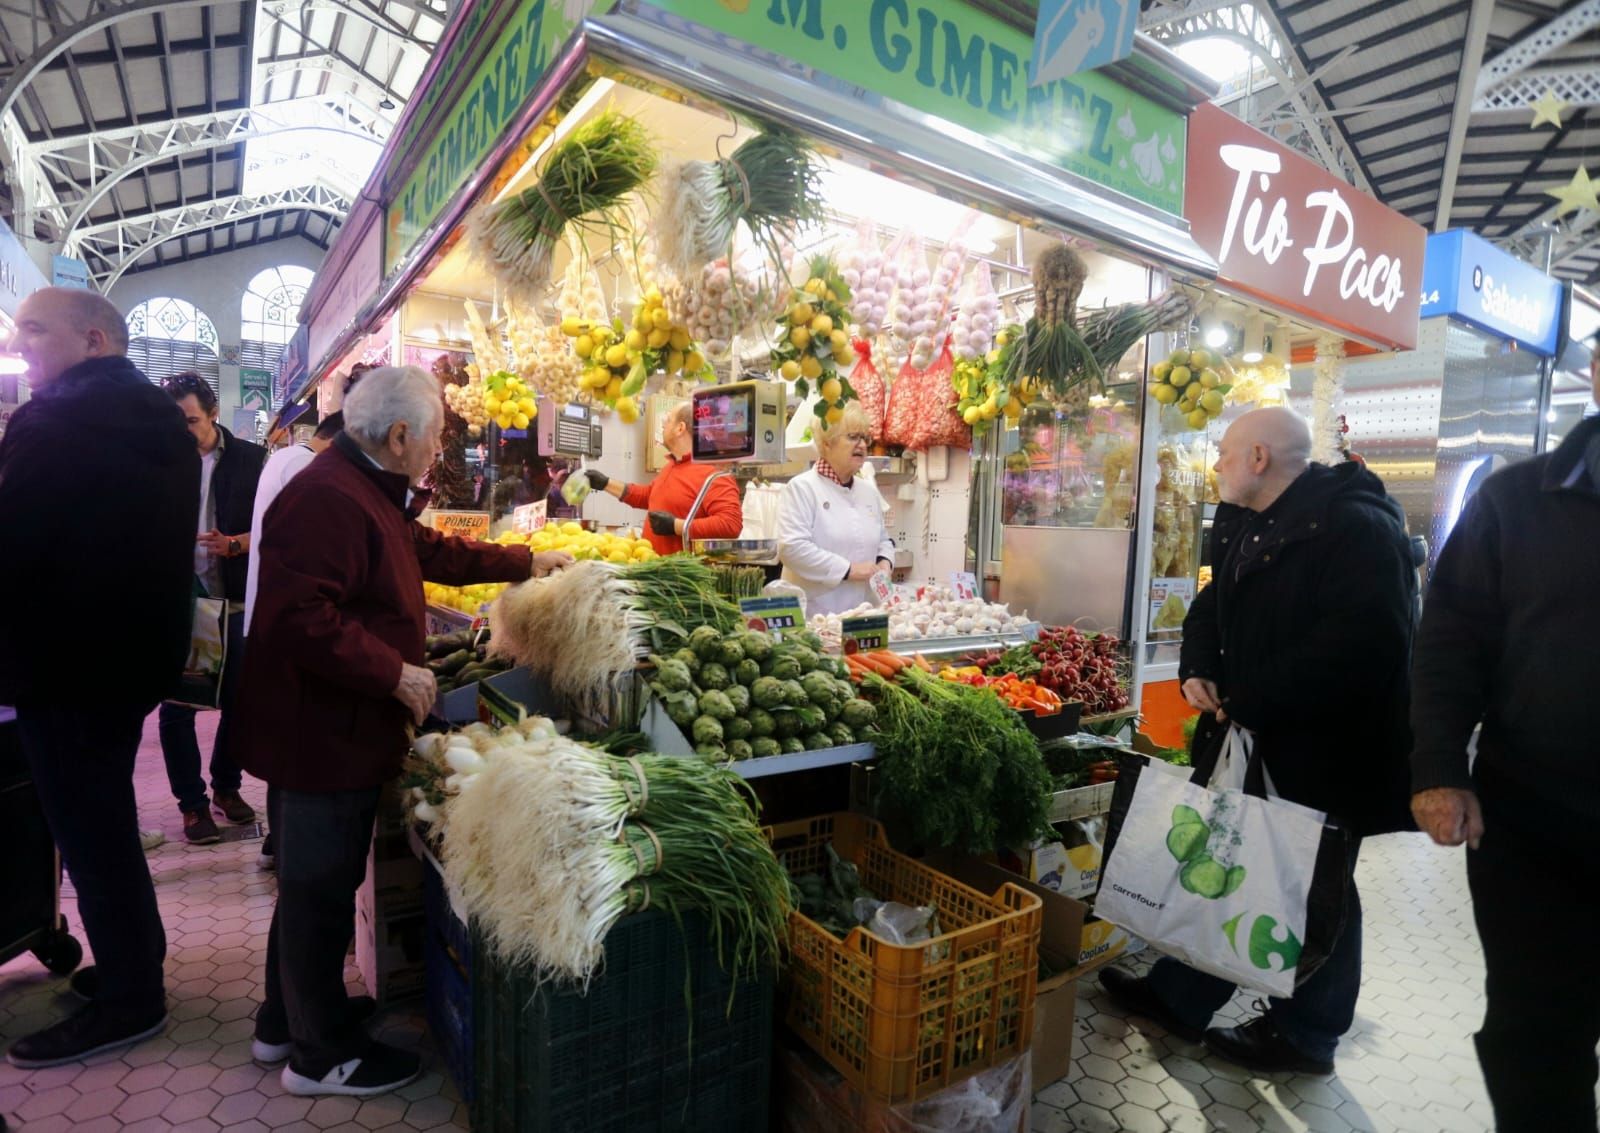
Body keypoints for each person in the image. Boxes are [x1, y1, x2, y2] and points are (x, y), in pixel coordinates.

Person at [231, 366, 572, 1097]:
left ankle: (283, 1019)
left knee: (308, 886)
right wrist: (392, 671)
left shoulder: (362, 489)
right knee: (319, 886)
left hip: (331, 726)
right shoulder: (327, 497)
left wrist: (522, 560)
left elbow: (426, 551)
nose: (441, 445)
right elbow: (300, 618)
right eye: (437, 433)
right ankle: (321, 1058)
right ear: (399, 436)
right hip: (320, 731)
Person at [1098, 406, 1416, 1075]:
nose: (1215, 464)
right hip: (1255, 734)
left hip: (1325, 750)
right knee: (1233, 855)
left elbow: (1364, 647)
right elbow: (1211, 607)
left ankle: (1309, 1035)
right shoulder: (1245, 520)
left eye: (1224, 452)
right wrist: (1197, 668)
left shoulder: (1357, 527)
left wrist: (1251, 698)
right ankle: (1182, 994)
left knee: (1315, 880)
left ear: (1260, 458)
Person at [0, 287, 198, 1067]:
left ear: (92, 338)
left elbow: (12, 543)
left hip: (63, 665)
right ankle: (132, 964)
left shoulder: (52, 419)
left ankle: (130, 1000)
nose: (22, 346)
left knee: (91, 832)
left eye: (34, 330)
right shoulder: (165, 424)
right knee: (106, 822)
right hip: (130, 661)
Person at [1409, 353, 1600, 1131]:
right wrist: (1439, 767)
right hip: (1537, 829)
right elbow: (1450, 640)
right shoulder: (1518, 501)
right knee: (1535, 1040)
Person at [159, 372, 266, 843]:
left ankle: (226, 787)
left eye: (191, 420)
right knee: (179, 705)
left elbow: (274, 525)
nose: (183, 430)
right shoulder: (159, 460)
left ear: (214, 413)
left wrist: (237, 544)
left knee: (242, 704)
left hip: (236, 600)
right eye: (174, 421)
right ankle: (192, 804)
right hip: (182, 603)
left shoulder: (252, 461)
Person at [242, 410, 344, 873]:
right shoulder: (310, 471)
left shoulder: (285, 460)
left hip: (269, 623)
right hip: (290, 634)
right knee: (296, 747)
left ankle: (279, 845)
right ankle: (288, 850)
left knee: (285, 747)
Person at [776, 402, 895, 617]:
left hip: (864, 613)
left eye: (864, 438)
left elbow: (883, 540)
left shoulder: (867, 491)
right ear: (826, 443)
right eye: (852, 437)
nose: (861, 445)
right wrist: (848, 569)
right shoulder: (802, 488)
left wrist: (885, 563)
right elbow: (792, 547)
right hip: (816, 615)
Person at [582, 402, 742, 554]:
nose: (663, 425)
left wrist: (676, 526)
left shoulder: (713, 475)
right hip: (653, 571)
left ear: (680, 428)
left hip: (679, 578)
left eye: (668, 420)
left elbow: (731, 524)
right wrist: (605, 483)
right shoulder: (672, 465)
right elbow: (649, 496)